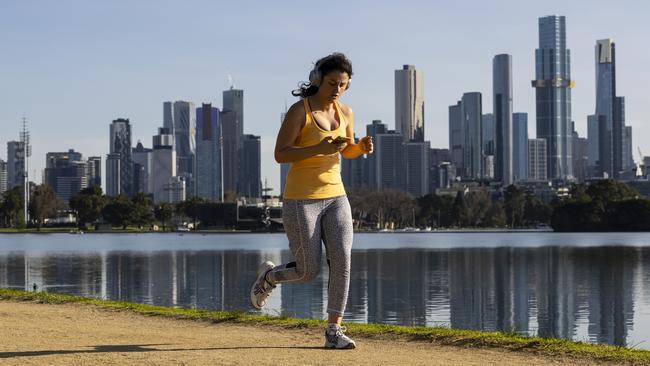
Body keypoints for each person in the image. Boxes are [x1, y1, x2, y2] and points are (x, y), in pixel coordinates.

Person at [250, 52, 373, 349]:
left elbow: (345, 151)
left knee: (342, 260)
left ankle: (334, 330)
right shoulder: (300, 111)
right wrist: (318, 147)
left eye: (343, 84)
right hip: (301, 200)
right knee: (308, 271)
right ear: (318, 79)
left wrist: (361, 148)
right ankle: (269, 277)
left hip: (336, 196)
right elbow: (281, 154)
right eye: (332, 83)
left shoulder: (346, 112)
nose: (337, 89)